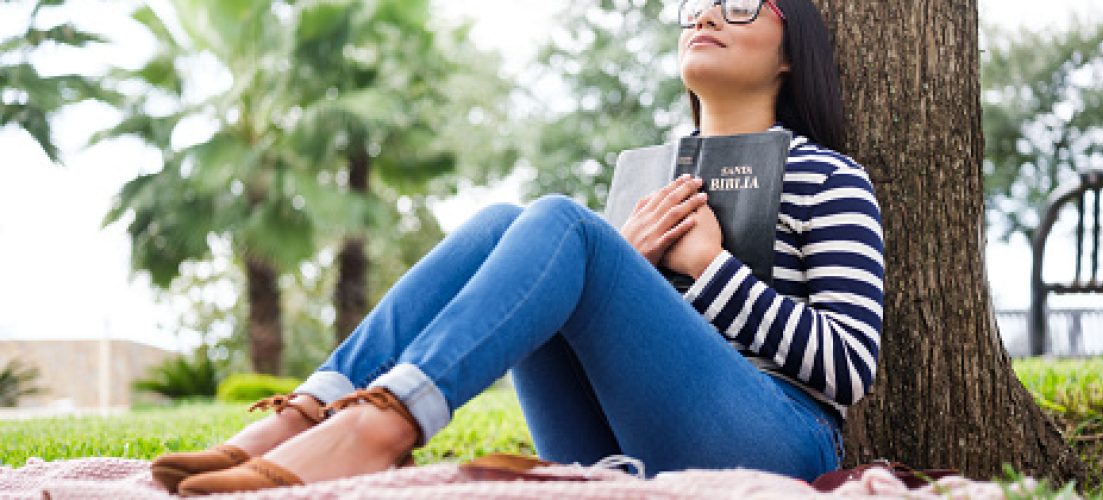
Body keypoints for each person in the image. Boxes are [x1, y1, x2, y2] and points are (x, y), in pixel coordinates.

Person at [151, 0, 884, 495]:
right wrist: (622, 264)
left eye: (742, 2)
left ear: (794, 50)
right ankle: (313, 411)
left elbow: (849, 368)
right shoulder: (647, 179)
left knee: (561, 221)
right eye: (693, 2)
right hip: (615, 443)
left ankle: (379, 429)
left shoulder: (829, 177)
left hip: (779, 441)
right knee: (510, 219)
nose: (703, 14)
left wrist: (709, 269)